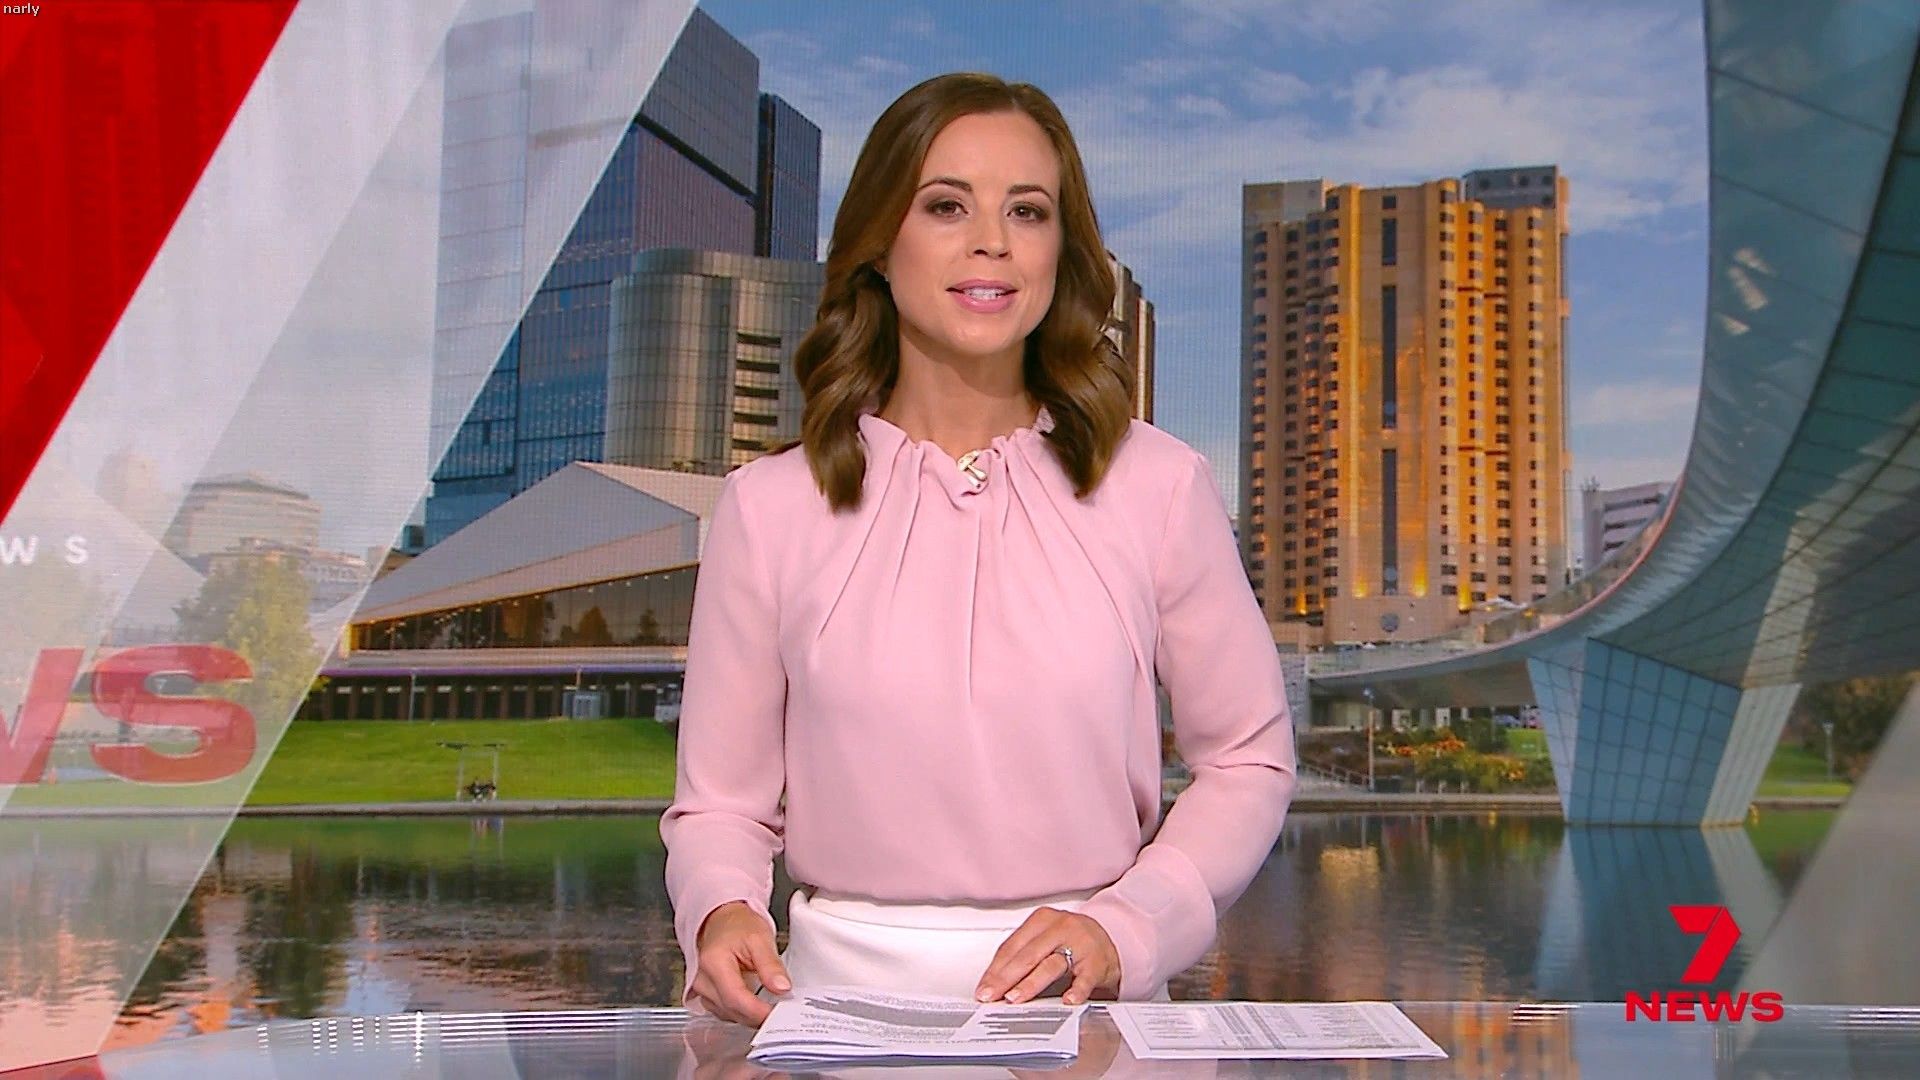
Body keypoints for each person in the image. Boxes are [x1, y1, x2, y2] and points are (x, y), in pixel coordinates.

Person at [661, 71, 1297, 1027]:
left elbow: (1247, 760)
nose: (992, 240)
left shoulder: (1160, 486)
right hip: (834, 1017)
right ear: (879, 244)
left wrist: (1128, 925)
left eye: (1028, 211)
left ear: (1061, 252)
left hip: (1091, 1014)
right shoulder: (768, 507)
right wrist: (720, 907)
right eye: (947, 205)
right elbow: (719, 803)